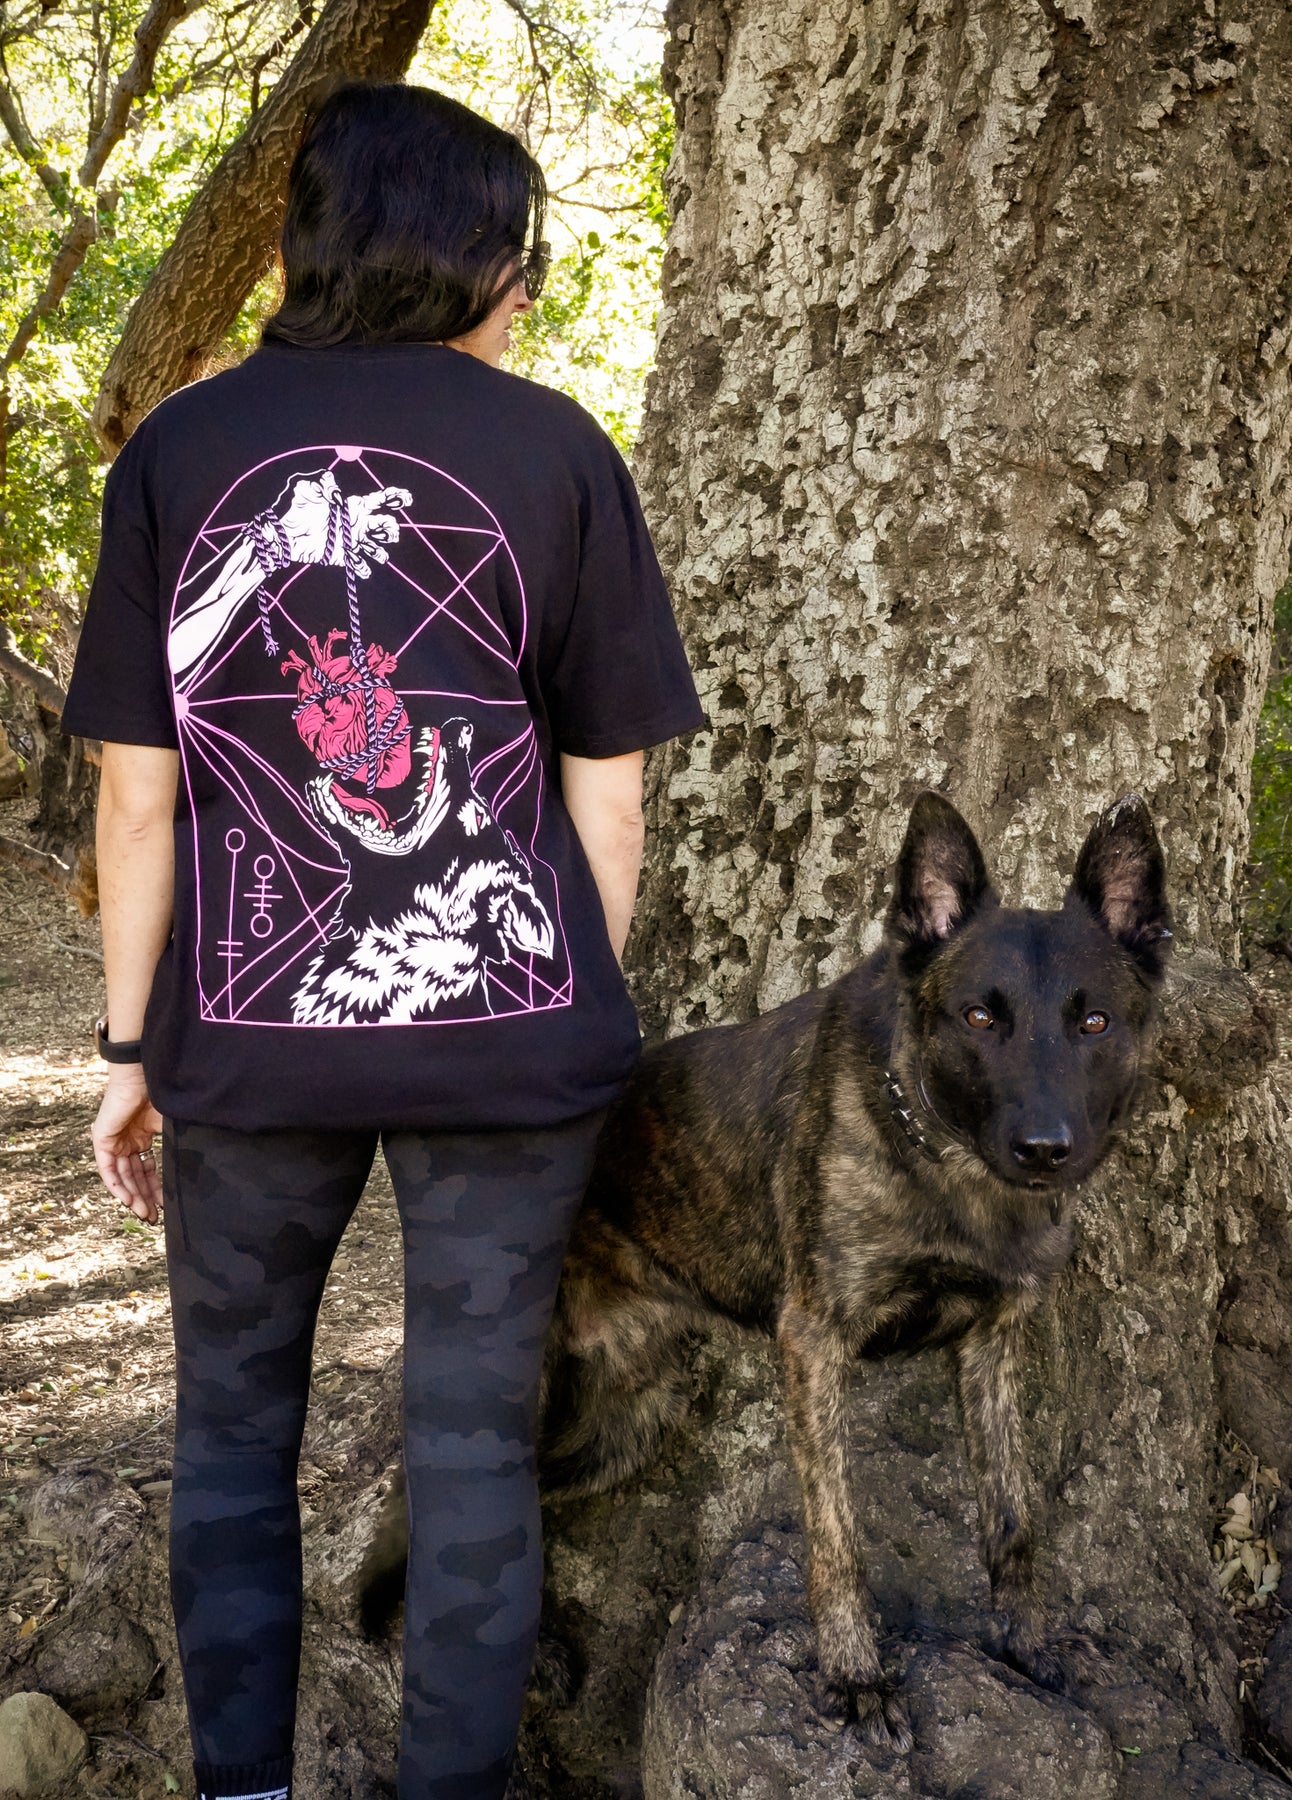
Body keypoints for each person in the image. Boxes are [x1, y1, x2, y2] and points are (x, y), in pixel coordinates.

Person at [61, 80, 704, 1800]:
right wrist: (559, 1006)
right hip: (513, 1052)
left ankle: (249, 1790)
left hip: (244, 1050)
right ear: (459, 255)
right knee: (476, 1443)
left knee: (232, 1433)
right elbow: (611, 797)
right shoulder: (558, 449)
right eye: (518, 253)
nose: (529, 289)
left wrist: (128, 1047)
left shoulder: (178, 450)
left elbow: (138, 797)